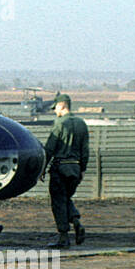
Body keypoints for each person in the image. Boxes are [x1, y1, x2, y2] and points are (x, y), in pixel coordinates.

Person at [41, 93, 89, 247]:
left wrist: (42, 168)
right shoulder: (82, 123)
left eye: (55, 108)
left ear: (62, 105)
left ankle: (63, 237)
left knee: (58, 201)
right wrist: (82, 169)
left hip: (60, 168)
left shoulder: (59, 123)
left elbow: (50, 148)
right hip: (75, 168)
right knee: (66, 198)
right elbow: (85, 149)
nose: (55, 111)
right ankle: (75, 220)